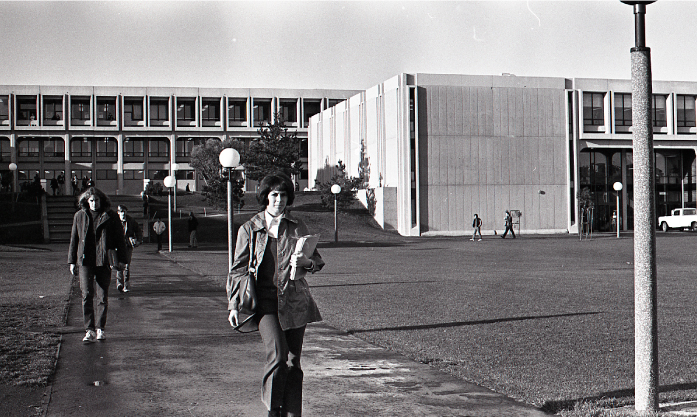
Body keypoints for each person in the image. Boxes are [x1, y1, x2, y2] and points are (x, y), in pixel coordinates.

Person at [227, 174, 324, 417]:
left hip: (295, 301)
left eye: (283, 195)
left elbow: (317, 262)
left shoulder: (297, 225)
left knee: (293, 362)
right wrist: (233, 305)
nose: (279, 200)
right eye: (274, 195)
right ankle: (273, 410)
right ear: (265, 197)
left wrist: (306, 262)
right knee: (278, 354)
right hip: (265, 303)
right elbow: (237, 269)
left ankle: (292, 413)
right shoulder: (249, 228)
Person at [67, 187, 127, 343]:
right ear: (87, 201)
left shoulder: (110, 216)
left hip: (103, 260)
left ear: (102, 200)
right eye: (91, 200)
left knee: (102, 296)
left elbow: (120, 239)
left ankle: (100, 329)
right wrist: (72, 261)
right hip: (85, 261)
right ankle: (89, 330)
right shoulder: (79, 216)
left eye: (97, 200)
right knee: (86, 294)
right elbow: (74, 239)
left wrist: (122, 260)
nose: (94, 203)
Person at [116, 205, 142, 293]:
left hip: (127, 245)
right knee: (119, 265)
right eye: (121, 211)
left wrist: (138, 240)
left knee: (126, 265)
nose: (123, 213)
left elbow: (138, 230)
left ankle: (126, 284)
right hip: (118, 246)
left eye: (124, 211)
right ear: (118, 212)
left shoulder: (131, 221)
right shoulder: (115, 221)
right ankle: (119, 283)